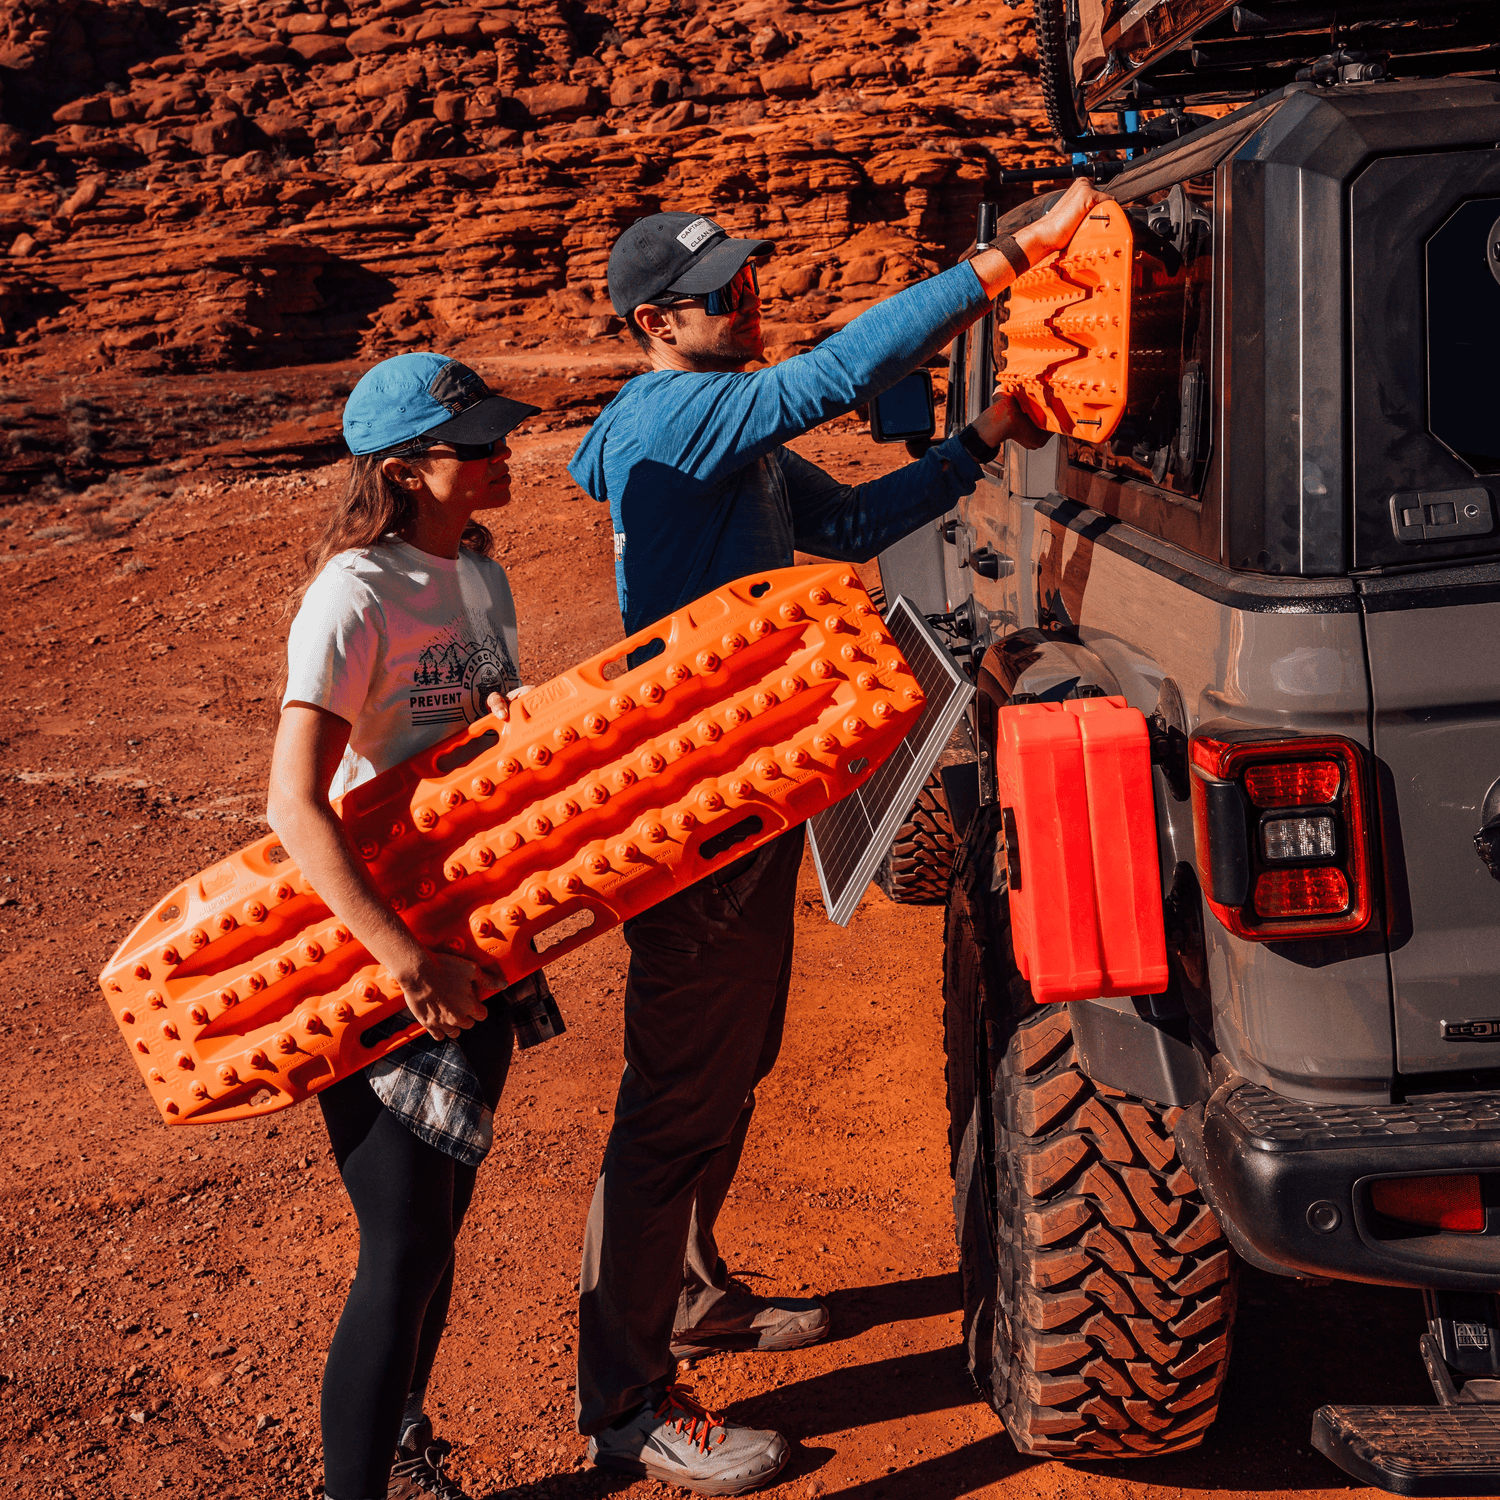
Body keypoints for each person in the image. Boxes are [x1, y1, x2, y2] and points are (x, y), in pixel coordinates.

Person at [566, 176, 1111, 1494]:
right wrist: (999, 267)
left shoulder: (722, 436)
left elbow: (855, 524)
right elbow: (832, 378)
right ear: (655, 323)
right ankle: (626, 1399)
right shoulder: (677, 416)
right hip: (696, 800)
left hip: (746, 790)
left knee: (734, 1057)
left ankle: (693, 1295)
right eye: (724, 293)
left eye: (749, 280)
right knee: (678, 1087)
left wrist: (988, 432)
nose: (750, 300)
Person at [265, 352, 540, 1500]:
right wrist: (403, 960)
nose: (502, 454)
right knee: (402, 1244)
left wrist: (509, 719)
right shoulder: (354, 594)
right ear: (402, 471)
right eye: (475, 443)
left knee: (440, 1228)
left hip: (473, 939)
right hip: (381, 957)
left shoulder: (480, 575)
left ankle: (403, 1442)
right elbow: (293, 804)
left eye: (498, 434)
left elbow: (482, 723)